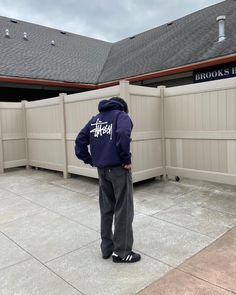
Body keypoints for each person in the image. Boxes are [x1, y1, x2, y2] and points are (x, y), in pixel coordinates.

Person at [75, 97, 141, 263]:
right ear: (123, 108)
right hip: (119, 169)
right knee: (123, 209)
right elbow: (122, 134)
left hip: (102, 171)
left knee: (106, 208)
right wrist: (126, 159)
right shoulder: (121, 116)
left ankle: (107, 248)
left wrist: (92, 160)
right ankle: (122, 252)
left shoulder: (94, 120)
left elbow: (79, 142)